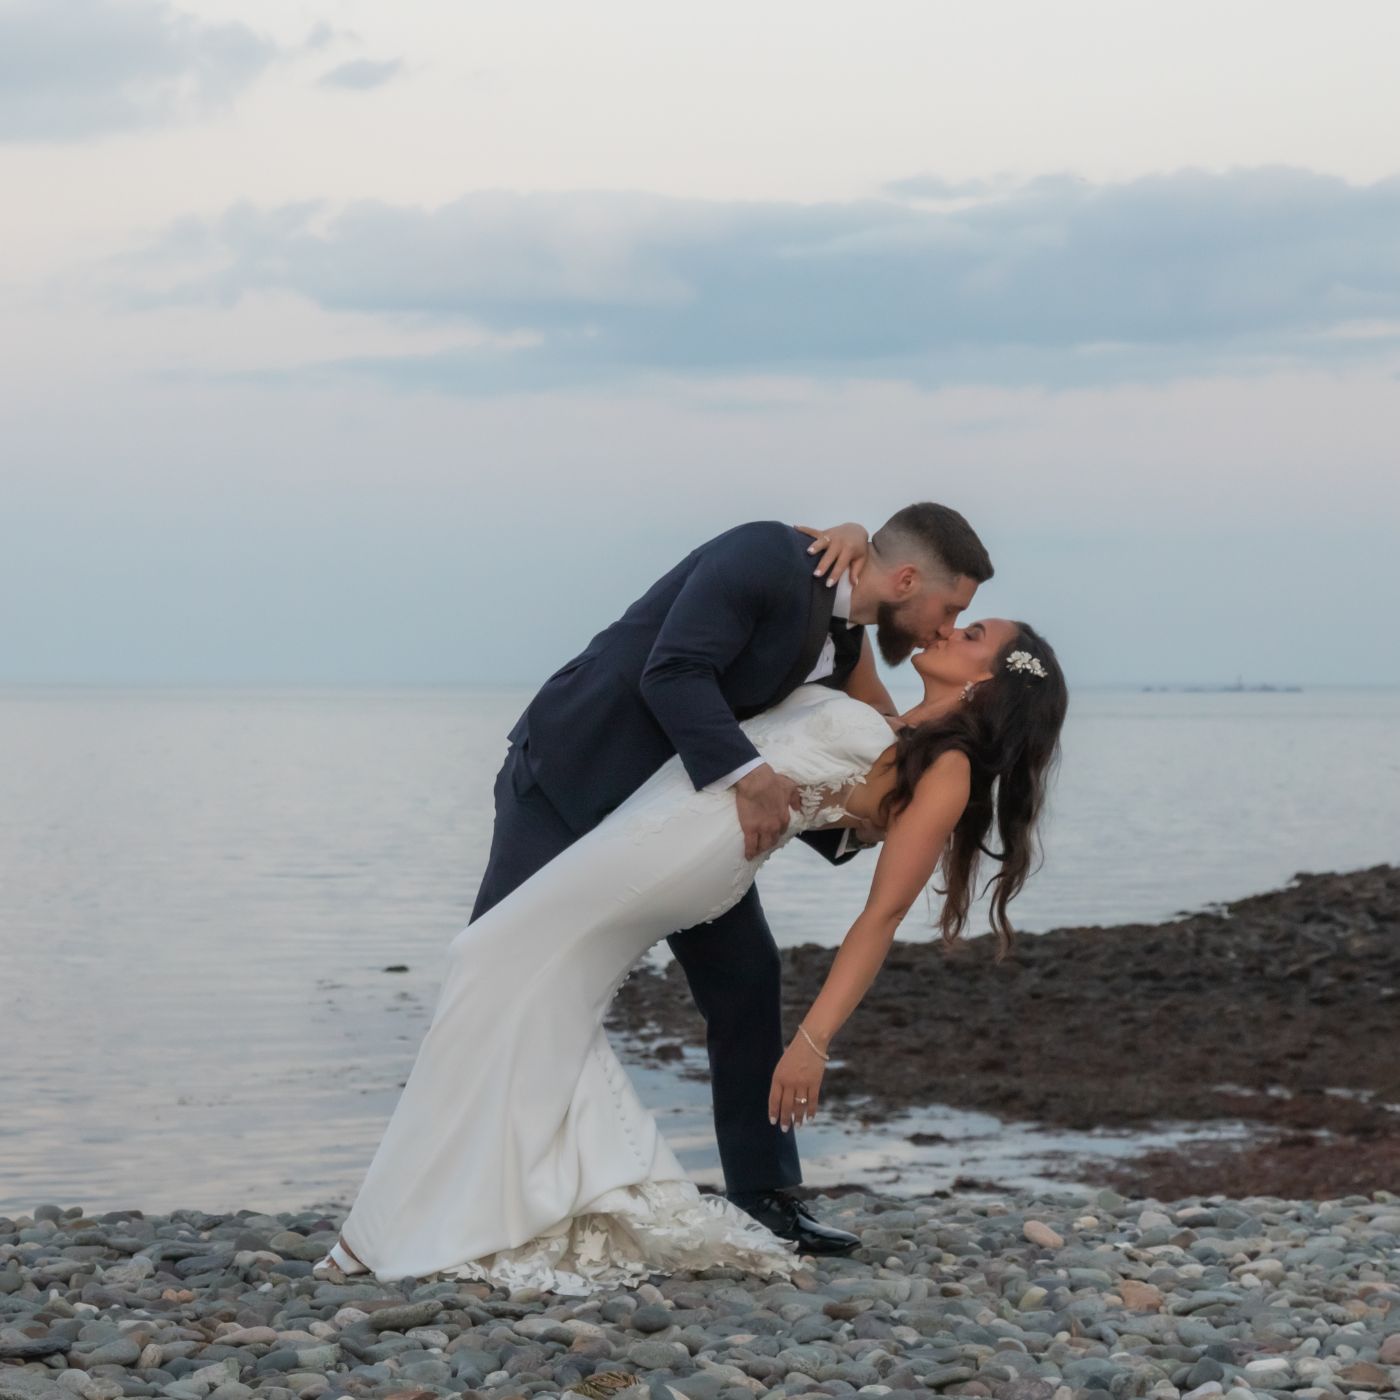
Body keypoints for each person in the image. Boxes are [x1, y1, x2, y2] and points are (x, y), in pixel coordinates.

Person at [311, 510, 1064, 1291]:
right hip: (576, 780)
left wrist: (859, 824)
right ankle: (466, 1192)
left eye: (965, 627)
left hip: (692, 835)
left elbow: (853, 777)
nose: (949, 626)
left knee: (738, 981)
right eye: (951, 610)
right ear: (906, 579)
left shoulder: (850, 650)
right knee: (497, 975)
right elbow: (678, 676)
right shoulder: (774, 564)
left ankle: (763, 1196)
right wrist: (767, 778)